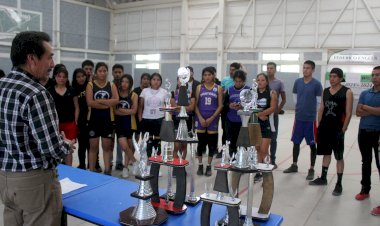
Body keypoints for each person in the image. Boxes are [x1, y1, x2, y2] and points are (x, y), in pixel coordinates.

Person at [0, 31, 74, 226]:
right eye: (49, 57)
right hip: (34, 183)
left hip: (5, 180)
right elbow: (51, 148)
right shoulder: (36, 93)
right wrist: (66, 145)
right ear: (32, 58)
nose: (52, 64)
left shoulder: (1, 86)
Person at [309, 68, 353, 196]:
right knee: (326, 154)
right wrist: (319, 125)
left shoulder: (347, 92)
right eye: (331, 76)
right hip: (325, 128)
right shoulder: (325, 91)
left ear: (340, 78)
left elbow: (349, 113)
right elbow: (321, 108)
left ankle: (339, 183)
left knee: (339, 156)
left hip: (337, 129)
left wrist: (344, 128)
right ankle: (323, 178)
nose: (332, 79)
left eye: (335, 76)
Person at [283, 60, 322, 181]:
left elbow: (319, 101)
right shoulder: (297, 82)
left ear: (313, 70)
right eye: (304, 68)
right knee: (296, 143)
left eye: (308, 68)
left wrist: (315, 116)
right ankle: (294, 165)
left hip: (310, 120)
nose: (305, 70)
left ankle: (311, 168)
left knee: (312, 145)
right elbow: (295, 96)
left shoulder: (316, 84)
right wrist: (300, 107)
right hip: (299, 118)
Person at [354, 66, 380, 213]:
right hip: (363, 132)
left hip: (378, 134)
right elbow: (358, 112)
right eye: (373, 75)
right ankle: (365, 190)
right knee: (366, 162)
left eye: (377, 75)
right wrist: (373, 110)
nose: (374, 77)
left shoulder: (365, 99)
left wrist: (366, 108)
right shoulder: (365, 93)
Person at [86, 62, 119, 175]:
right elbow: (90, 102)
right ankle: (91, 171)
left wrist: (100, 101)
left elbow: (116, 101)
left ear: (107, 72)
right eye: (100, 71)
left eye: (105, 71)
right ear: (96, 72)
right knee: (93, 147)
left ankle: (107, 171)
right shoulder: (90, 85)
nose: (102, 73)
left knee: (107, 147)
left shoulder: (111, 85)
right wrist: (107, 104)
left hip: (107, 120)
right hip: (94, 120)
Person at [49, 66, 79, 166]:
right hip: (56, 124)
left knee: (69, 149)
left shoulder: (71, 90)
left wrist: (75, 121)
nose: (61, 79)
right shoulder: (49, 91)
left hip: (70, 123)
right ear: (55, 77)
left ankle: (69, 170)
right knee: (56, 148)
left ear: (67, 78)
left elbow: (76, 107)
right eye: (59, 76)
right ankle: (56, 172)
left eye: (64, 77)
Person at [195, 66, 223, 176]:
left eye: (209, 74)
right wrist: (201, 118)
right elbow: (196, 105)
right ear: (203, 76)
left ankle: (209, 166)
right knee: (200, 144)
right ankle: (200, 165)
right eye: (205, 75)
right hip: (200, 119)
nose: (207, 77)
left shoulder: (218, 88)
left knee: (212, 144)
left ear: (214, 75)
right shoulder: (199, 88)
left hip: (213, 119)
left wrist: (212, 118)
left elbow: (220, 105)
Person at [254, 73, 277, 182]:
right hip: (255, 124)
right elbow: (250, 107)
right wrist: (258, 115)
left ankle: (267, 171)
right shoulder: (253, 93)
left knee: (264, 150)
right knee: (257, 149)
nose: (260, 82)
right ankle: (259, 171)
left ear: (267, 82)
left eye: (262, 80)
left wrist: (262, 113)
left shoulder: (272, 93)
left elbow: (272, 108)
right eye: (258, 80)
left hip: (266, 124)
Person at [114, 74, 138, 178]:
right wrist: (127, 111)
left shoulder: (133, 95)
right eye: (123, 81)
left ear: (130, 84)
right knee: (124, 146)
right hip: (119, 124)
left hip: (130, 124)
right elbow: (115, 111)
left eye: (127, 82)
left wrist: (121, 111)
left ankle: (125, 168)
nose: (124, 84)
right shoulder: (116, 94)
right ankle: (135, 161)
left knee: (128, 146)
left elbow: (134, 111)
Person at [138, 73, 167, 156]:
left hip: (159, 119)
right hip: (146, 119)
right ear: (150, 81)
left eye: (158, 80)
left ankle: (156, 161)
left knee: (157, 142)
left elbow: (167, 106)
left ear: (161, 82)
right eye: (154, 79)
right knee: (147, 141)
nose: (156, 81)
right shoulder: (145, 91)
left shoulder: (164, 92)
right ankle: (147, 160)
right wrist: (140, 117)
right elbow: (140, 106)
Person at [224, 70, 250, 157]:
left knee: (243, 143)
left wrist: (243, 106)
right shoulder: (229, 90)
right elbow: (224, 104)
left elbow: (251, 105)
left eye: (240, 81)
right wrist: (230, 105)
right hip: (231, 120)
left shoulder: (248, 90)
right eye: (236, 81)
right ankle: (233, 160)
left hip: (243, 121)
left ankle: (243, 161)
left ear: (243, 81)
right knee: (232, 143)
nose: (238, 83)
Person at [219, 62, 242, 158]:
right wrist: (224, 93)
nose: (231, 72)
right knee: (225, 130)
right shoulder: (225, 80)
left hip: (239, 115)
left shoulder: (240, 80)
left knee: (238, 133)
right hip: (227, 109)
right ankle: (223, 149)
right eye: (230, 70)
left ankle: (239, 154)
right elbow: (221, 94)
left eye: (234, 70)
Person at [267, 62, 286, 169]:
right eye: (268, 68)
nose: (269, 70)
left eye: (271, 68)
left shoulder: (279, 83)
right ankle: (262, 159)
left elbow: (283, 99)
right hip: (262, 116)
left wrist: (278, 110)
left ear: (275, 70)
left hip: (273, 116)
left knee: (273, 139)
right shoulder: (262, 81)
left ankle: (272, 160)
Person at [170, 78, 196, 159]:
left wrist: (180, 107)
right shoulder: (173, 93)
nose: (181, 82)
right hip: (176, 121)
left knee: (184, 145)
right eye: (180, 80)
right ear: (177, 81)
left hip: (187, 121)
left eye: (184, 80)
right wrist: (185, 107)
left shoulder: (191, 93)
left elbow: (192, 108)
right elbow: (174, 107)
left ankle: (182, 164)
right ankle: (176, 163)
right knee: (177, 145)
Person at [72, 68, 89, 169]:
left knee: (91, 145)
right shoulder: (73, 89)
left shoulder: (90, 86)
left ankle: (94, 164)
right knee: (82, 145)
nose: (81, 78)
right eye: (78, 77)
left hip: (90, 119)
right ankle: (82, 164)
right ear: (75, 78)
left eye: (83, 76)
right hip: (80, 120)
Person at [112, 64, 125, 171]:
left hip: (122, 118)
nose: (117, 74)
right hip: (110, 118)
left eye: (119, 72)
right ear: (112, 73)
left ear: (123, 73)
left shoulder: (125, 87)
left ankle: (119, 162)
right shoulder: (109, 85)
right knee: (110, 142)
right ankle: (110, 161)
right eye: (115, 72)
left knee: (120, 142)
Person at [133, 73, 151, 140]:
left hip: (147, 117)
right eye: (144, 79)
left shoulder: (151, 92)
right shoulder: (135, 90)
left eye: (148, 79)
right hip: (136, 118)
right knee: (135, 139)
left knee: (145, 139)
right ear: (141, 80)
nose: (146, 81)